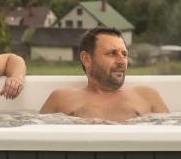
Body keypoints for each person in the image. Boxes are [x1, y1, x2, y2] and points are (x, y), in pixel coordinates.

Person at [39, 26, 168, 121]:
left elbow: (172, 136)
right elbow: (35, 137)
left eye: (124, 54)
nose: (122, 61)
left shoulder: (147, 96)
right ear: (86, 59)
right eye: (112, 53)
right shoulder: (60, 99)